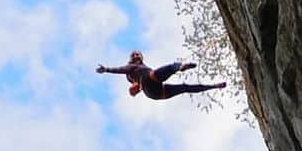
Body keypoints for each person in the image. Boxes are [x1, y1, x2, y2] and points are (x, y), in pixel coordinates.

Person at [96, 49, 226, 100]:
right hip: (148, 79)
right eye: (133, 55)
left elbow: (136, 87)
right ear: (131, 58)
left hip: (156, 93)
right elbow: (120, 70)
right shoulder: (132, 67)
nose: (136, 56)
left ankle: (214, 86)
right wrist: (106, 69)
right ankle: (180, 67)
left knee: (185, 87)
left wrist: (135, 90)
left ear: (141, 56)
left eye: (138, 54)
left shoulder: (134, 74)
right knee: (170, 67)